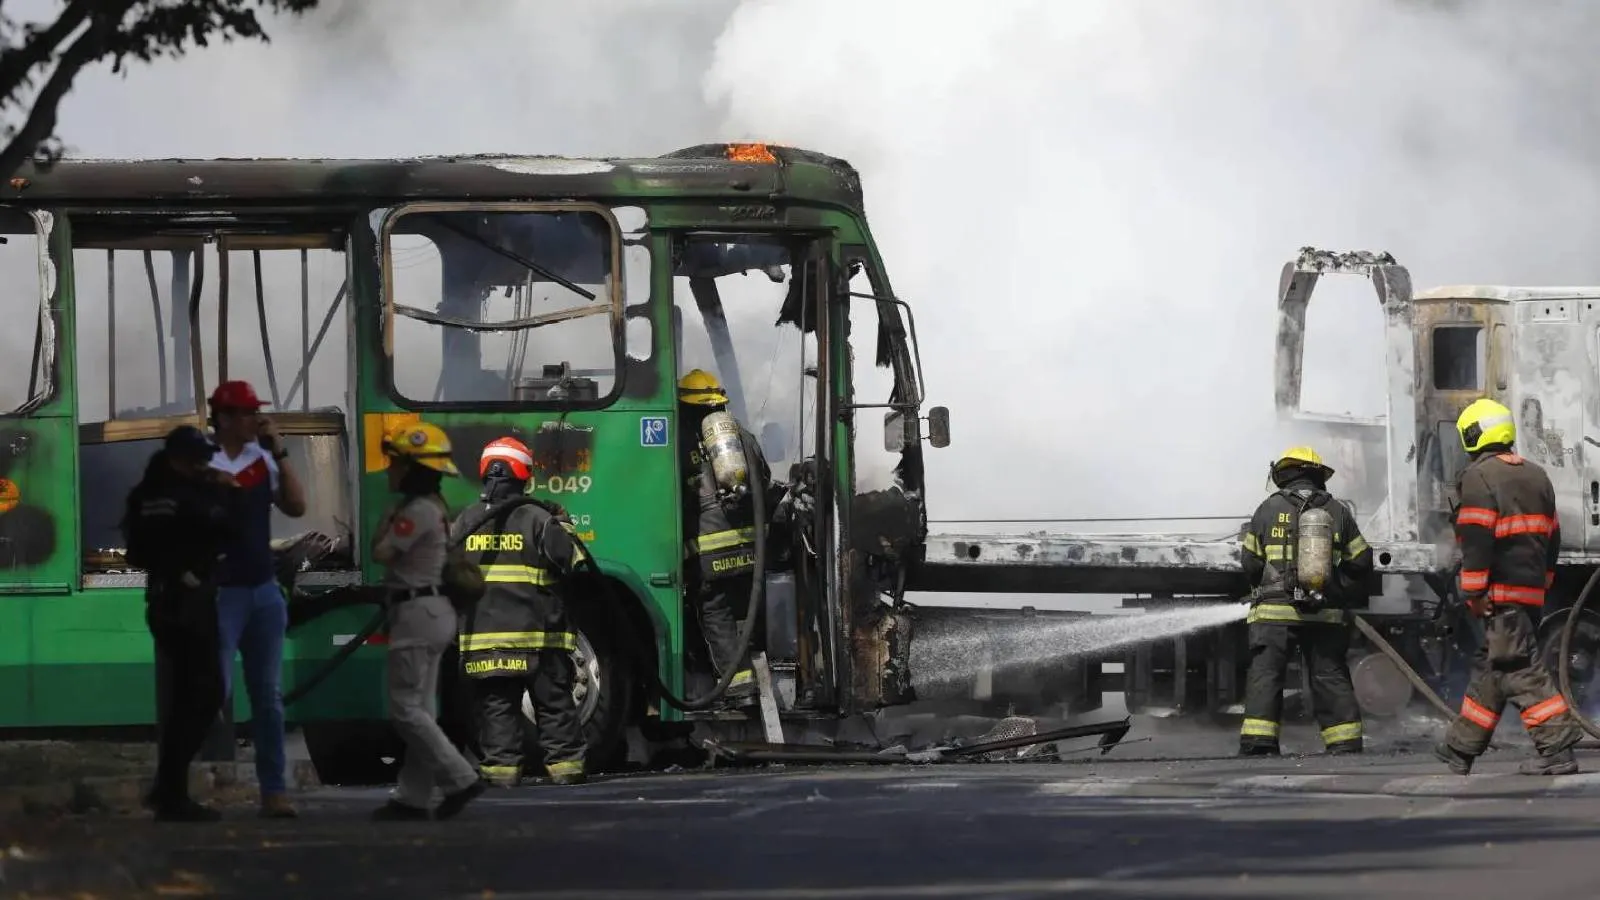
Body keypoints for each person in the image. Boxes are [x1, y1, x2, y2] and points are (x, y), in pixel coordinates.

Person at [1435, 399, 1582, 776]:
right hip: (1529, 593)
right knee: (1492, 669)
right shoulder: (1537, 475)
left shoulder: (1478, 477)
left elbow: (1476, 539)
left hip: (1499, 594)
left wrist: (1474, 592)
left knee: (1518, 668)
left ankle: (1557, 747)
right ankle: (1460, 748)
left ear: (1473, 435)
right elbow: (1553, 538)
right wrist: (1544, 583)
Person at [370, 421, 490, 820]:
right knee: (421, 708)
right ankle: (413, 798)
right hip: (430, 612)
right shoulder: (432, 508)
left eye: (396, 463)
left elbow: (382, 553)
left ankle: (459, 778)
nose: (390, 470)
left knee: (405, 709)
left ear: (412, 469)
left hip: (417, 614)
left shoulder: (416, 511)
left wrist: (388, 518)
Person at [122, 425, 240, 822]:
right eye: (196, 458)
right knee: (204, 694)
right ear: (178, 458)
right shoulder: (169, 494)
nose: (203, 464)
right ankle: (170, 791)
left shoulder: (158, 490)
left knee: (188, 699)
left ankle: (168, 789)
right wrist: (221, 493)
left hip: (178, 598)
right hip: (180, 600)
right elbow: (211, 527)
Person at [456, 437, 587, 787]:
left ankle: (501, 772)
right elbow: (572, 561)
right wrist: (565, 524)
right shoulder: (537, 517)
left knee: (497, 707)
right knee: (554, 703)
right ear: (523, 474)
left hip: (484, 639)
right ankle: (566, 769)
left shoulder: (465, 521)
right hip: (538, 637)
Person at [205, 379, 307, 818]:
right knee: (213, 690)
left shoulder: (262, 460)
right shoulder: (201, 462)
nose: (255, 420)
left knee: (268, 695)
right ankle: (195, 779)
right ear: (226, 418)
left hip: (262, 590)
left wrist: (279, 450)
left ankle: (273, 788)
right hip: (222, 590)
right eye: (248, 414)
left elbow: (297, 507)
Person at [1238, 446, 1374, 756]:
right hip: (1324, 612)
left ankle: (1259, 743)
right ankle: (1344, 742)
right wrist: (1335, 590)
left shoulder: (1267, 509)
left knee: (1266, 675)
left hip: (1272, 614)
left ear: (1283, 475)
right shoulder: (1337, 511)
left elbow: (1250, 562)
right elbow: (1363, 560)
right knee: (1329, 674)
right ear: (1317, 476)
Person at [677, 369, 773, 707]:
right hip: (749, 548)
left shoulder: (682, 441)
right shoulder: (743, 437)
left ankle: (738, 688)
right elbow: (765, 480)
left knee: (715, 614)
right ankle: (757, 681)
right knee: (742, 613)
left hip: (708, 552)